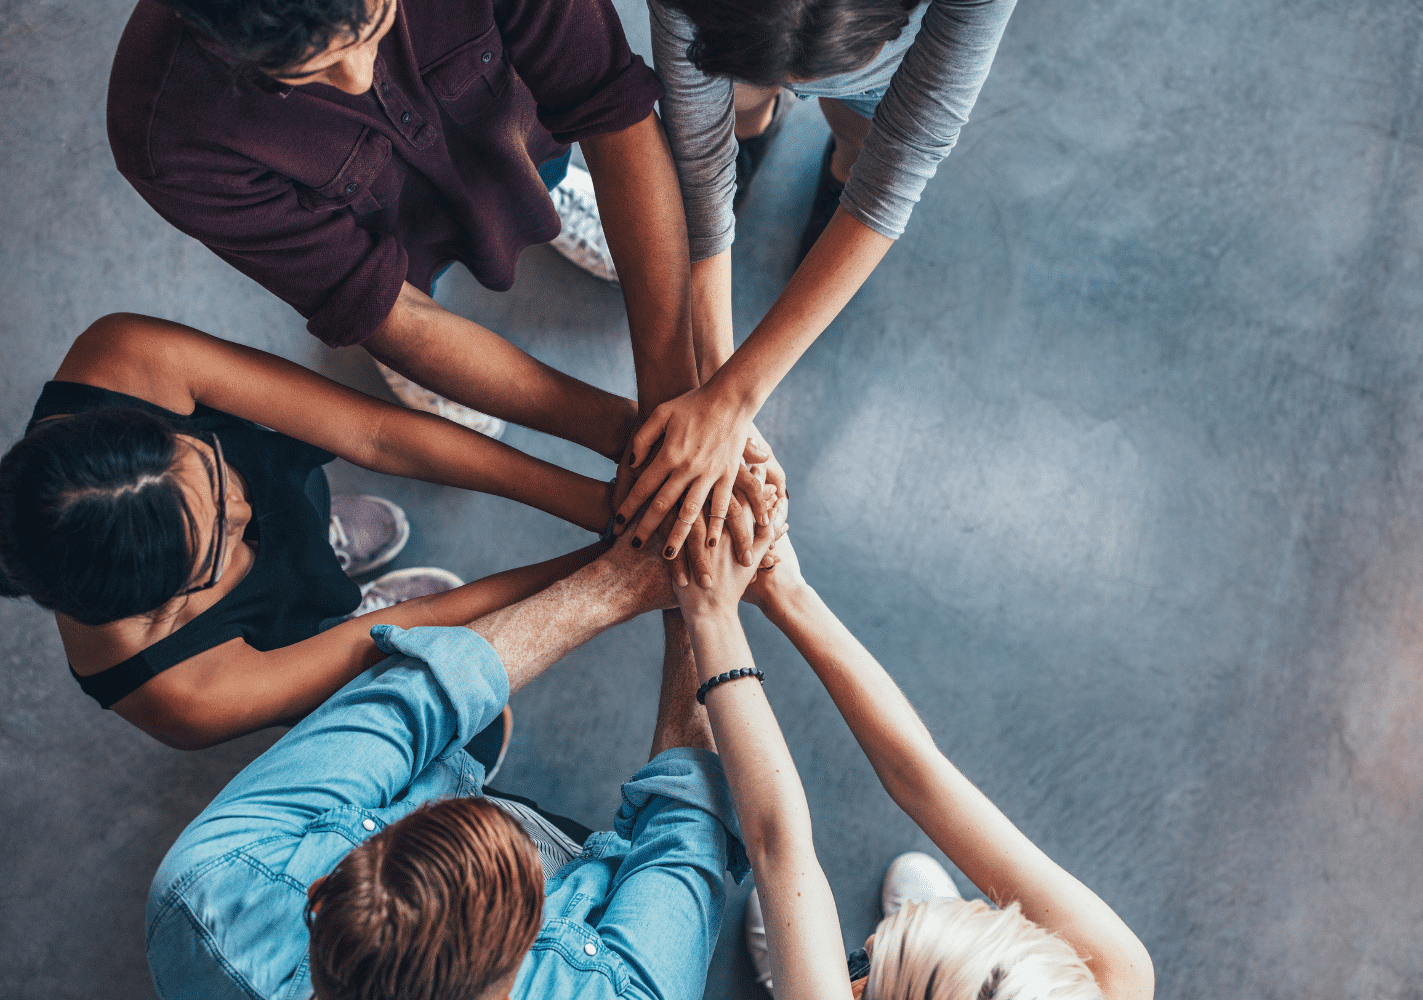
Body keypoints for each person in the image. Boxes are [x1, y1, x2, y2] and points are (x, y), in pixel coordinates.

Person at [0, 313, 769, 750]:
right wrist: (622, 564)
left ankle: (317, 545)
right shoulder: (180, 694)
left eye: (209, 464)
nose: (243, 505)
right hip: (273, 639)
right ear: (162, 609)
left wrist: (610, 505)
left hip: (211, 530)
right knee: (386, 657)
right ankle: (332, 606)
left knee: (296, 508)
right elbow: (424, 623)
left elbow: (377, 435)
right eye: (218, 547)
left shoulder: (126, 359)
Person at [145, 515, 774, 1000]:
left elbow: (408, 704)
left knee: (429, 726)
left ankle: (453, 760)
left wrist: (617, 583)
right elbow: (684, 834)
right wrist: (701, 607)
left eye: (391, 825)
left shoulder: (208, 888)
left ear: (321, 891)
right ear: (506, 982)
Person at [106, 0, 711, 462]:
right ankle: (406, 362)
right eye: (307, 72)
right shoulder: (168, 137)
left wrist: (673, 399)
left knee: (538, 175)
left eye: (375, 26)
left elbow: (609, 112)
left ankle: (544, 194)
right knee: (393, 304)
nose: (361, 77)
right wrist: (632, 438)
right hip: (386, 250)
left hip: (515, 137)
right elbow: (387, 307)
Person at [608, 0, 1015, 562]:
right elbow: (699, 162)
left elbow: (898, 167)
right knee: (739, 104)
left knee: (863, 141)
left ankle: (836, 161)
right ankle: (753, 128)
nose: (801, 88)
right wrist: (721, 396)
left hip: (878, 81)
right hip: (745, 53)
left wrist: (732, 403)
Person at [671, 530, 1156, 1000]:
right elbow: (918, 775)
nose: (871, 941)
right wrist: (785, 589)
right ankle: (890, 960)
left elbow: (776, 843)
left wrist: (710, 613)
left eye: (872, 971)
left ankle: (803, 976)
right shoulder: (1116, 975)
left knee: (802, 942)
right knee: (821, 929)